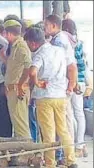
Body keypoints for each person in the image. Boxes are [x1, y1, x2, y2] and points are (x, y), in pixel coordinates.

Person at [26, 27, 77, 168]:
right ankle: (71, 160)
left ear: (33, 43)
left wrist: (37, 82)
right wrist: (71, 84)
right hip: (61, 95)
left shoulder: (39, 54)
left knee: (48, 133)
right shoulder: (59, 50)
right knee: (63, 129)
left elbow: (32, 71)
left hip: (45, 97)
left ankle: (50, 163)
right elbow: (71, 66)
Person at [62, 18, 88, 157]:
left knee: (69, 114)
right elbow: (82, 64)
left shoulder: (66, 42)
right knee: (79, 113)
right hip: (81, 81)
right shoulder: (79, 42)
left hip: (71, 81)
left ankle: (73, 145)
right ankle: (81, 144)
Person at [1, 20, 31, 138]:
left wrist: (20, 84)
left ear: (8, 33)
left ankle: (27, 152)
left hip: (18, 90)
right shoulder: (14, 46)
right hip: (12, 90)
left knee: (21, 125)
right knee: (17, 124)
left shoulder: (21, 46)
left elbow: (28, 65)